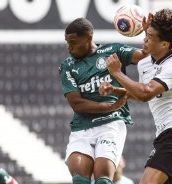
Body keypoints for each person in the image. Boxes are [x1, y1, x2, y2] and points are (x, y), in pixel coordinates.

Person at [99, 8, 172, 184]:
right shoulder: (145, 62)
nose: (144, 39)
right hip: (165, 135)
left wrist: (117, 73)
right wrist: (115, 90)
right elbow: (141, 93)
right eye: (146, 34)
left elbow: (145, 93)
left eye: (150, 36)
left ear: (164, 44)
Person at [59, 16, 152, 184]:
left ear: (88, 38)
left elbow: (146, 56)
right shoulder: (68, 66)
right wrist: (112, 105)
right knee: (79, 179)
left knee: (103, 179)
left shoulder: (113, 52)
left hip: (110, 124)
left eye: (73, 42)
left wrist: (147, 34)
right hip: (82, 128)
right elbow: (77, 104)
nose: (69, 47)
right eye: (67, 42)